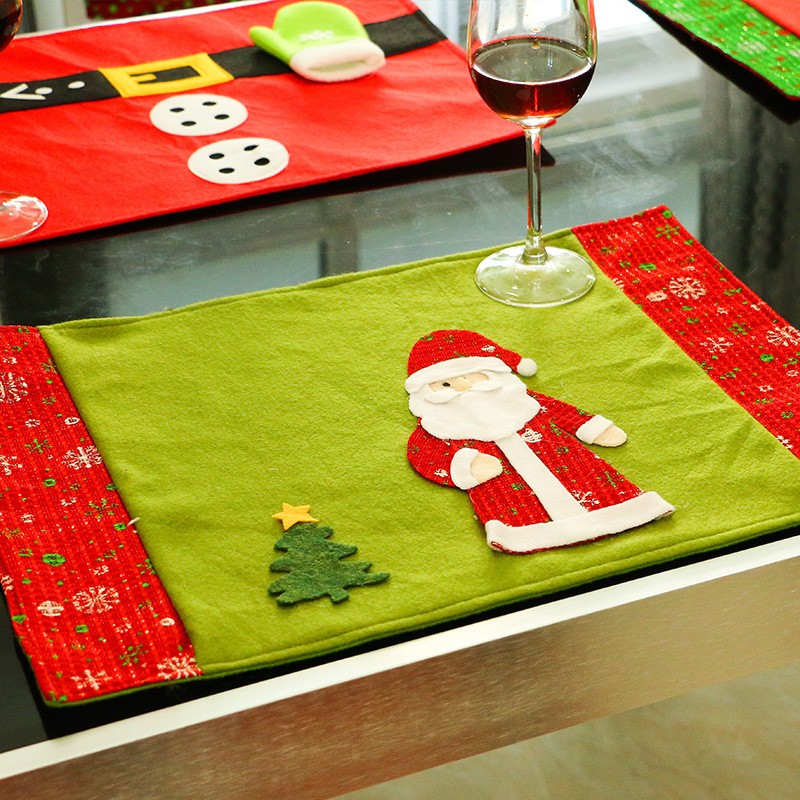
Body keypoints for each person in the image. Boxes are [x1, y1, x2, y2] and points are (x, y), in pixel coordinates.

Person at [405, 329, 674, 554]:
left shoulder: (521, 402)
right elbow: (424, 453)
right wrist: (466, 466)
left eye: (469, 377)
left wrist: (593, 428)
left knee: (589, 479)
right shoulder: (438, 425)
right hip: (511, 498)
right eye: (446, 385)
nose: (463, 387)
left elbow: (559, 412)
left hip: (564, 460)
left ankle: (626, 511)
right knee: (512, 506)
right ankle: (525, 536)